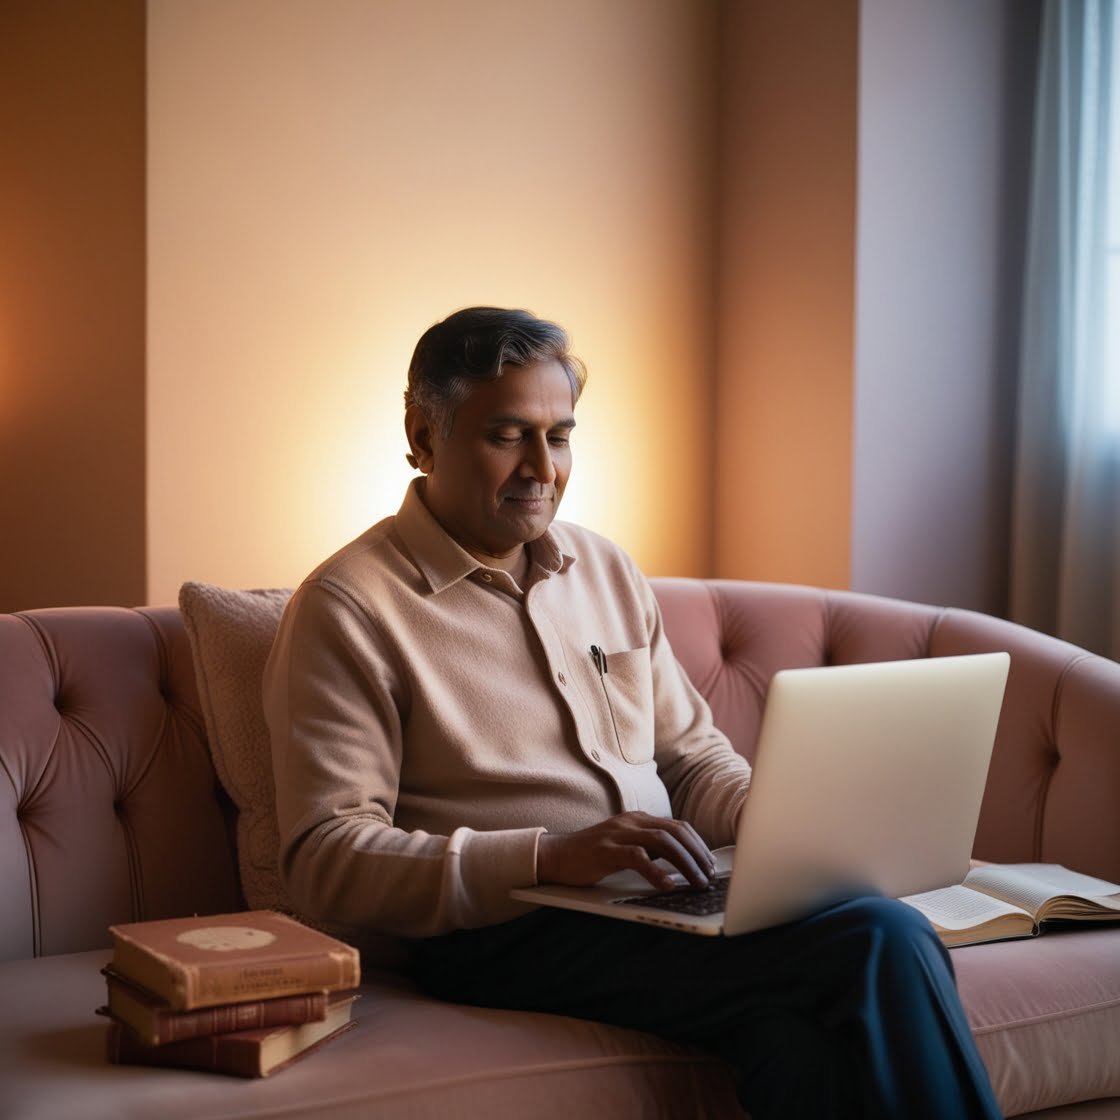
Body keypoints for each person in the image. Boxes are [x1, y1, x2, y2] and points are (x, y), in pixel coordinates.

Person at [262, 306, 1003, 1119]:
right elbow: (324, 857)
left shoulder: (605, 569)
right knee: (877, 937)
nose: (542, 467)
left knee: (795, 1039)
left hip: (655, 903)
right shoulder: (350, 606)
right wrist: (548, 858)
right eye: (507, 435)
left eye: (561, 435)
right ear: (423, 432)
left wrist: (779, 823)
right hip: (502, 935)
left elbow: (690, 759)